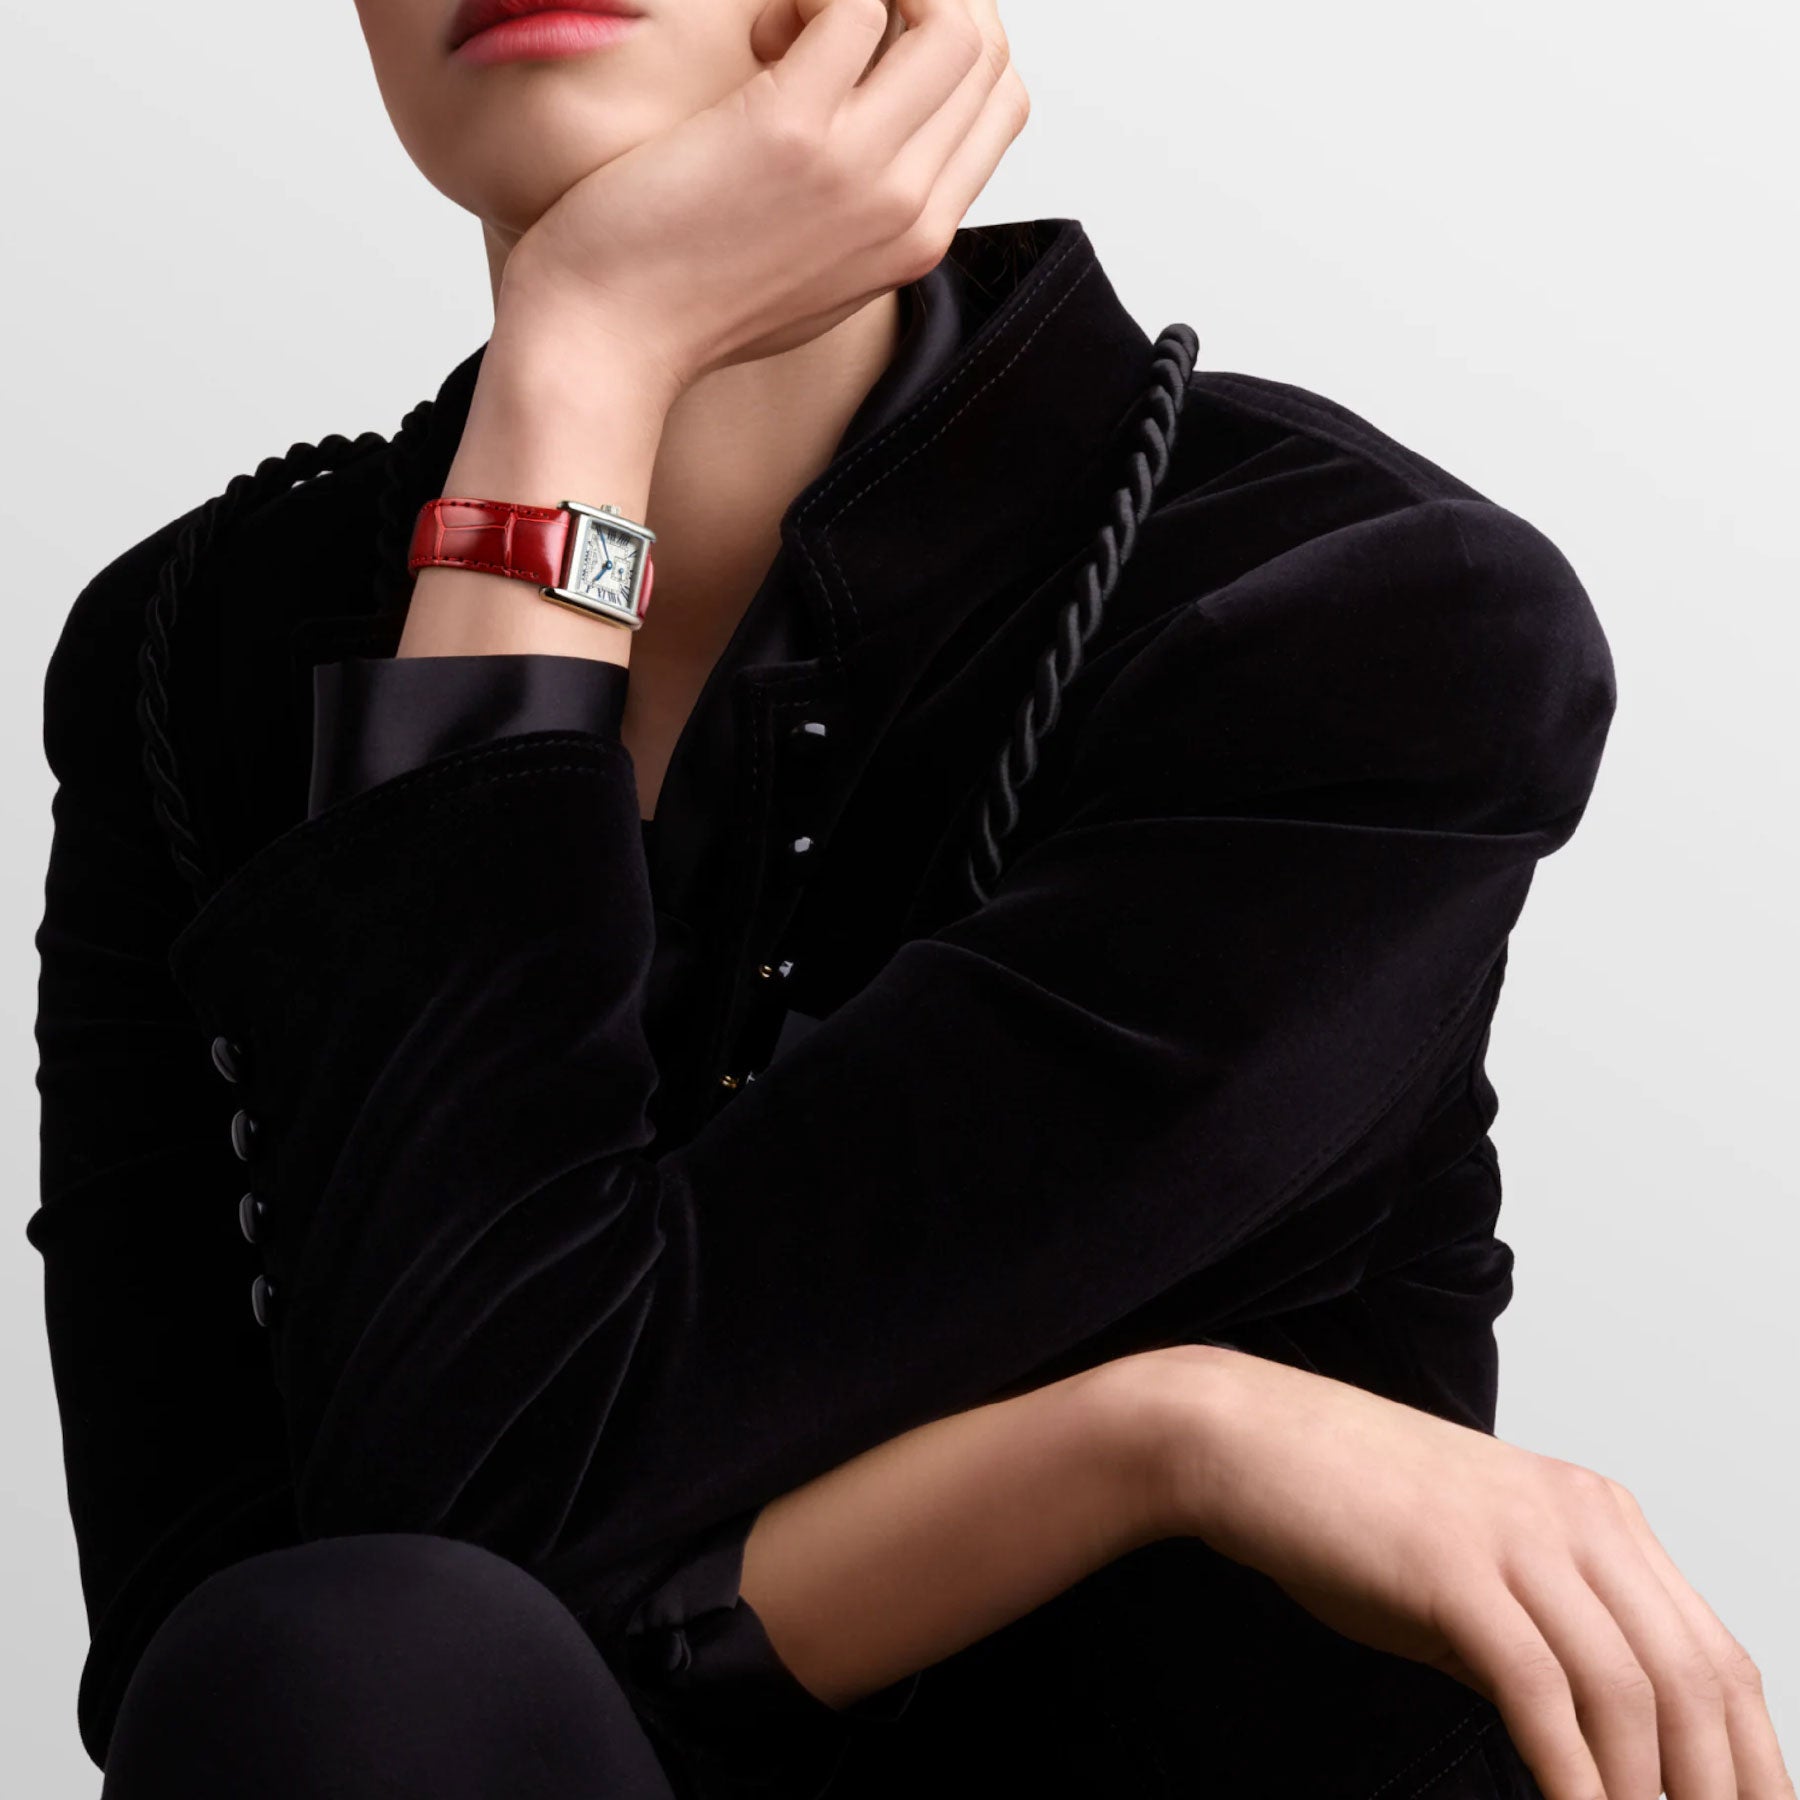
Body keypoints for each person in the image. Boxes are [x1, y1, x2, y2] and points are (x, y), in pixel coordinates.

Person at [28, 1, 1791, 1797]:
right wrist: (1155, 1438)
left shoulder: (1349, 619)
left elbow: (491, 1509)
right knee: (343, 1662)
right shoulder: (188, 662)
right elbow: (241, 1646)